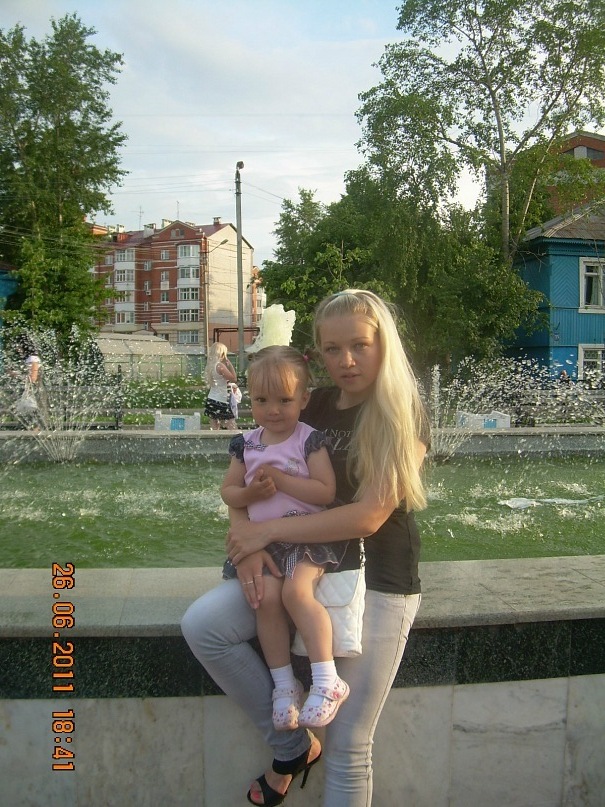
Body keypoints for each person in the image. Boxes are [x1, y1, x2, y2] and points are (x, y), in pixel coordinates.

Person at [182, 289, 429, 806]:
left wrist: (268, 533)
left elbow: (368, 516)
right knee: (204, 626)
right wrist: (248, 542)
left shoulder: (401, 412)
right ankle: (291, 745)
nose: (347, 360)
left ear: (384, 344)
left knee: (348, 744)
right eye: (333, 349)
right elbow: (247, 475)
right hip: (291, 565)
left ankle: (305, 748)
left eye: (359, 346)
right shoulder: (308, 402)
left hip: (376, 578)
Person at [221, 345, 349, 734]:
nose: (273, 410)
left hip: (307, 537)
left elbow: (326, 491)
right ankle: (283, 685)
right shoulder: (246, 444)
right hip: (265, 544)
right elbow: (228, 491)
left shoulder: (309, 440)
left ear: (304, 399)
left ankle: (327, 678)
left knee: (296, 593)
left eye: (284, 400)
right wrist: (250, 493)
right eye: (262, 400)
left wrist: (282, 481)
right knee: (266, 600)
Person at [204, 342, 238, 430]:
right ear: (222, 353)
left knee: (215, 429)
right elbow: (234, 379)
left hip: (211, 399)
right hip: (221, 400)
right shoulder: (220, 366)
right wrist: (230, 365)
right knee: (232, 427)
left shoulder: (210, 366)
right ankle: (237, 440)